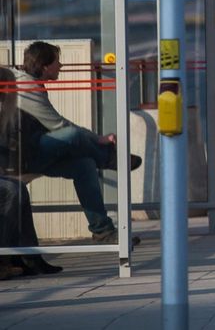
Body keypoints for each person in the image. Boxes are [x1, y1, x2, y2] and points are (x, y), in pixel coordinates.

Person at [14, 41, 139, 244]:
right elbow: (58, 125)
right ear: (45, 66)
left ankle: (103, 231)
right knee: (72, 135)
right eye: (57, 62)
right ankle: (110, 159)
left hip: (34, 150)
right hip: (22, 155)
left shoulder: (31, 83)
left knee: (85, 166)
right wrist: (98, 139)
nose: (61, 66)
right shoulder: (27, 86)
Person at [0, 67, 59, 277]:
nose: (14, 92)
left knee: (17, 189)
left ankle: (28, 257)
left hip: (11, 169)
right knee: (12, 190)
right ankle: (7, 258)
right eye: (10, 88)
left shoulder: (13, 114)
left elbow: (39, 133)